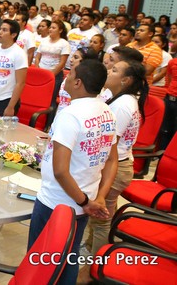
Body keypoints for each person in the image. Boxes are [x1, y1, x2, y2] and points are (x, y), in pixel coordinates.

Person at [30, 59, 117, 285]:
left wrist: (86, 201)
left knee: (39, 263)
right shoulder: (107, 111)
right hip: (82, 203)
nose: (66, 78)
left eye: (70, 75)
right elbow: (111, 160)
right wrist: (96, 198)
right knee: (68, 259)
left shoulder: (70, 114)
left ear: (78, 82)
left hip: (56, 202)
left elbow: (60, 170)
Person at [78, 60, 146, 282]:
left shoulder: (122, 105)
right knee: (100, 217)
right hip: (117, 164)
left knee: (100, 220)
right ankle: (91, 250)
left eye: (115, 70)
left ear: (125, 80)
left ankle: (94, 270)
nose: (108, 71)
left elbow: (110, 146)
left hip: (116, 167)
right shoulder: (122, 99)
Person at [33, 19, 70, 99]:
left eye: (53, 28)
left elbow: (62, 63)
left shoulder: (64, 43)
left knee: (50, 99)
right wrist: (37, 70)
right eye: (50, 27)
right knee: (38, 97)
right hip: (41, 73)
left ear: (60, 30)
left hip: (55, 75)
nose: (50, 29)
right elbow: (37, 57)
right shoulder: (44, 41)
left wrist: (51, 75)